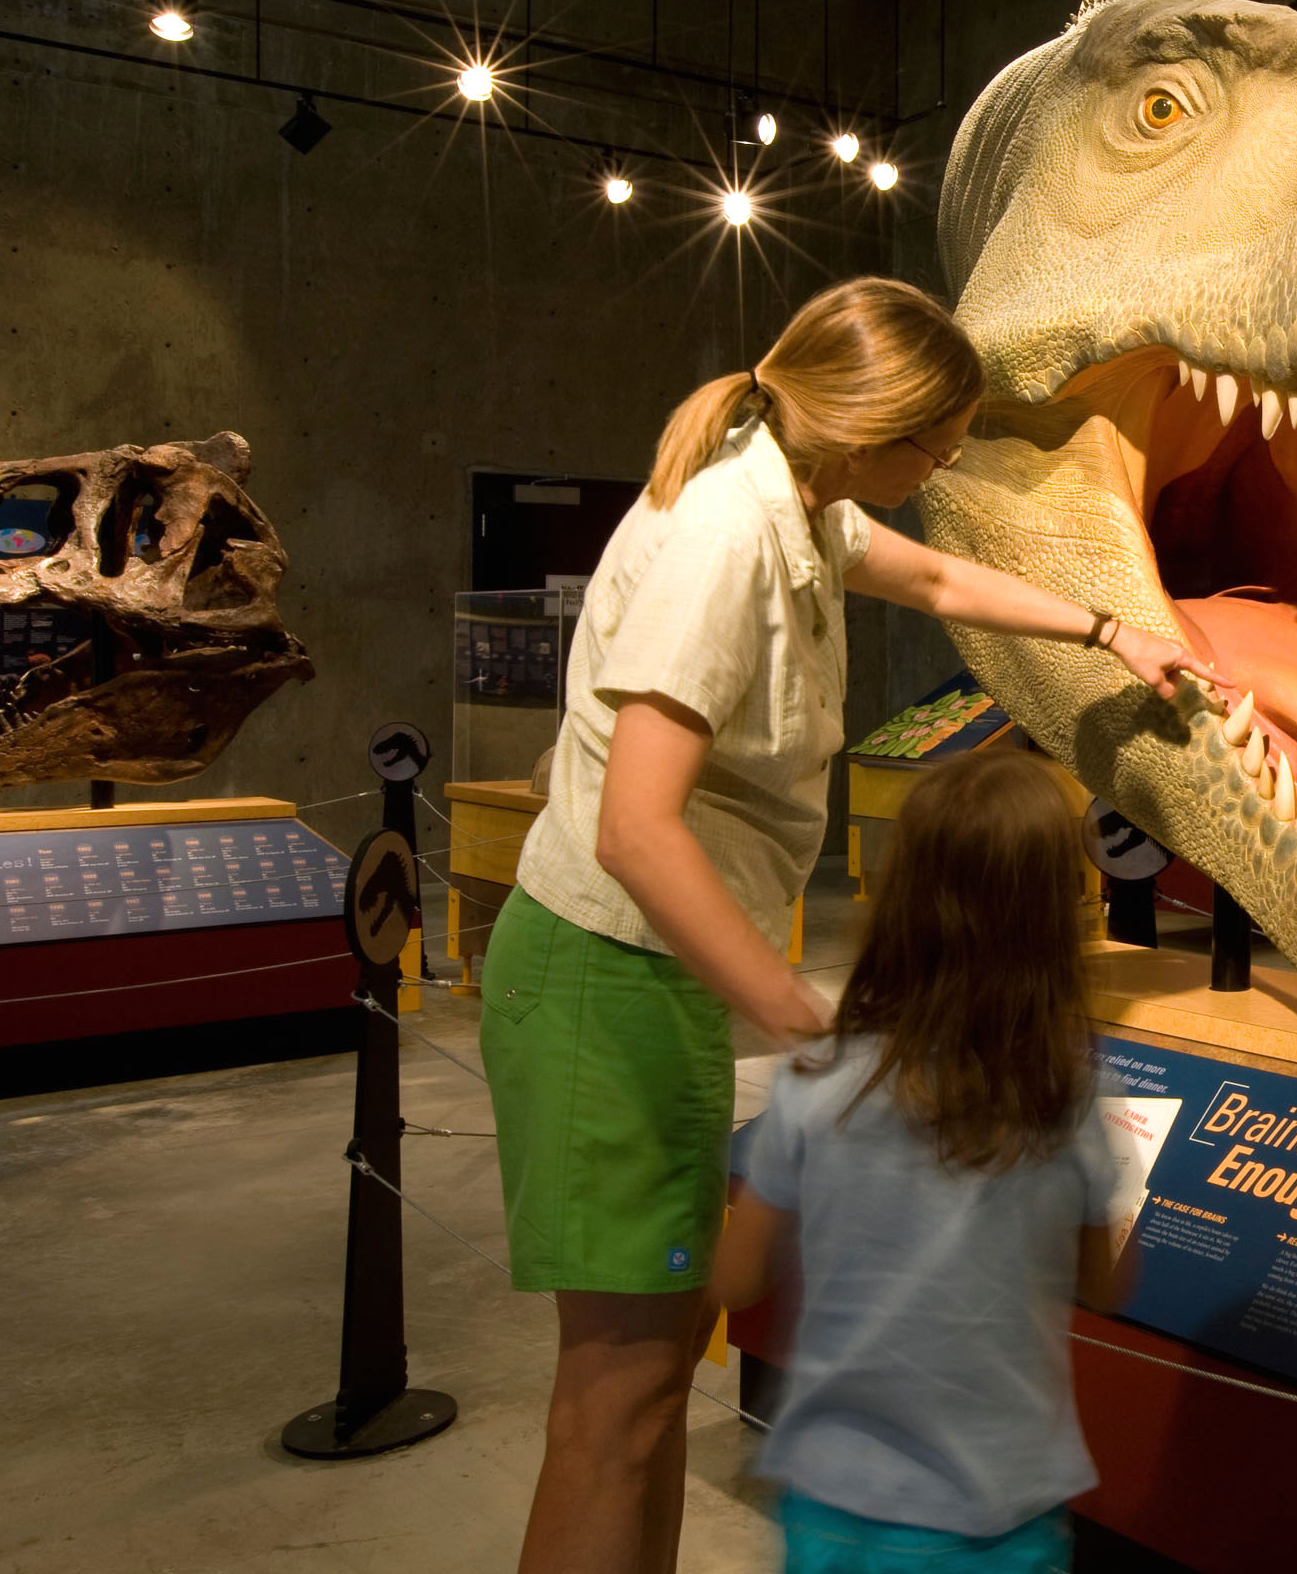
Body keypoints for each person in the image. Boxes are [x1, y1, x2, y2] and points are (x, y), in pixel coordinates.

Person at [483, 278, 1206, 1574]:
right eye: (937, 443)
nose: (940, 470)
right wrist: (802, 1012)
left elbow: (931, 574)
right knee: (616, 1406)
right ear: (871, 429)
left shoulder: (800, 501)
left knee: (647, 1403)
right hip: (606, 977)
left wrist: (1112, 631)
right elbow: (635, 827)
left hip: (649, 986)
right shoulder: (726, 536)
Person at [711, 750, 1123, 1574]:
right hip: (998, 1520)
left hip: (833, 1512)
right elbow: (1104, 1282)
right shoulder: (1065, 1099)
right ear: (1051, 921)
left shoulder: (814, 1083)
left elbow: (734, 1278)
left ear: (900, 899)